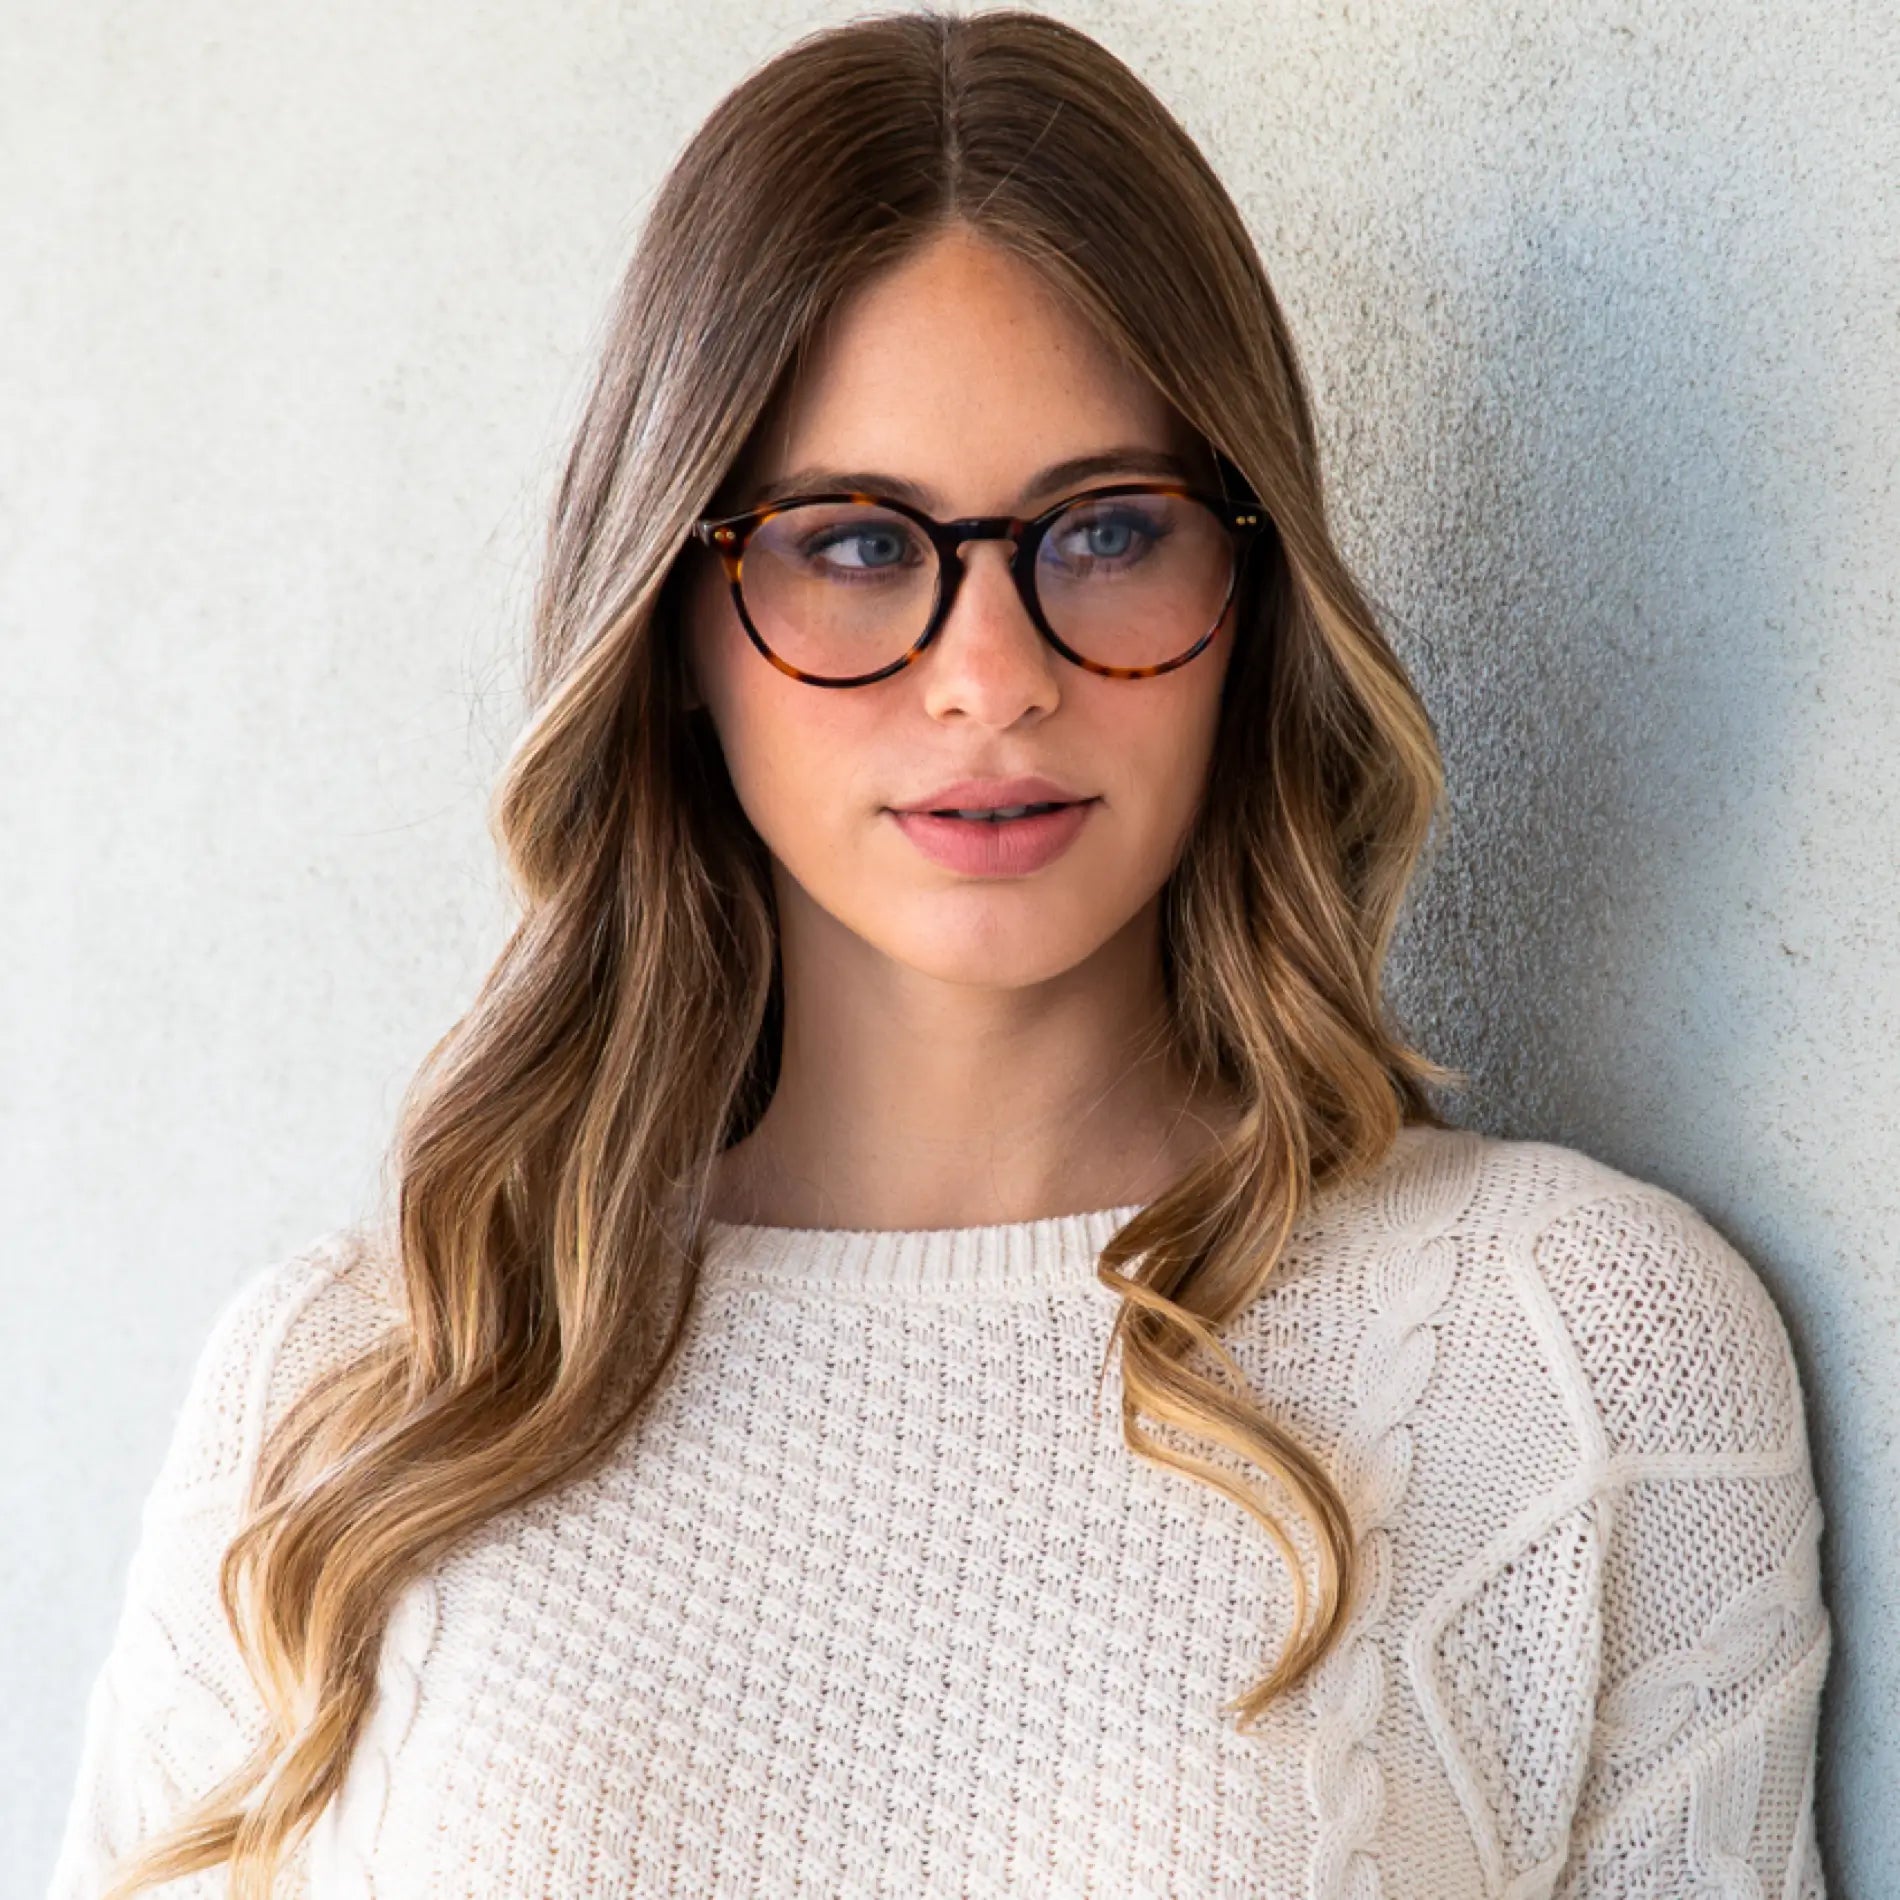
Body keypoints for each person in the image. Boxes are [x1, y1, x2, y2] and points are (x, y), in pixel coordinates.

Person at [48, 9, 1831, 1897]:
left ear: (1253, 593)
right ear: (674, 618)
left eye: (1109, 528)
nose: (993, 677)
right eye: (853, 544)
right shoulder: (360, 1389)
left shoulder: (1580, 1352)